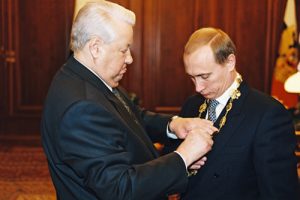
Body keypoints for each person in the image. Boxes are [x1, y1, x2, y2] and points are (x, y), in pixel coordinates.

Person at [40, 1, 217, 200]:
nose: (130, 59)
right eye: (124, 50)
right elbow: (119, 188)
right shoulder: (81, 107)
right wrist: (183, 157)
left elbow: (131, 117)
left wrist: (173, 124)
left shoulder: (88, 77)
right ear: (96, 48)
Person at [174, 27, 299, 199]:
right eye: (192, 77)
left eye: (205, 76)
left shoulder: (268, 113)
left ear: (230, 62)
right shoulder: (191, 105)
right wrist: (186, 166)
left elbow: (280, 193)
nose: (198, 87)